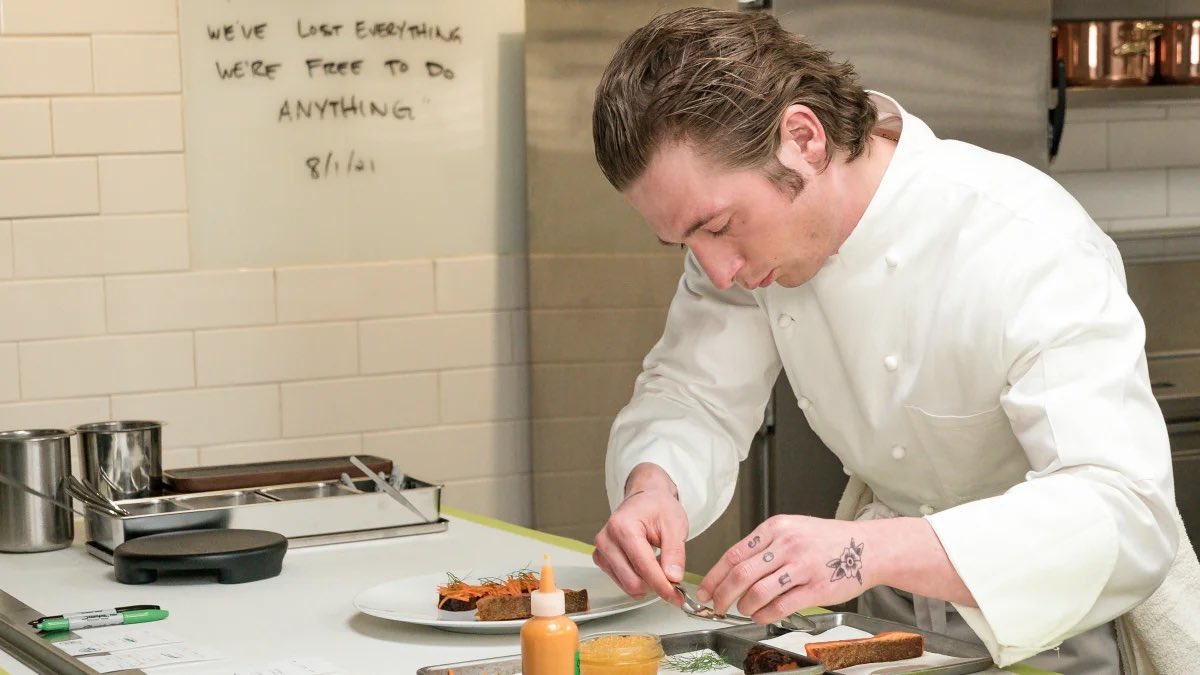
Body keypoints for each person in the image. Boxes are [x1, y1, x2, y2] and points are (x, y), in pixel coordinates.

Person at [589, 7, 1183, 672]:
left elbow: (1125, 514)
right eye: (686, 242)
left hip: (1057, 633)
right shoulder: (742, 255)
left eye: (720, 224)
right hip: (882, 627)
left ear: (804, 140)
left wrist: (866, 551)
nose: (717, 266)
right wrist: (654, 488)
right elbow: (694, 395)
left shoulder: (1022, 238)